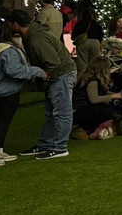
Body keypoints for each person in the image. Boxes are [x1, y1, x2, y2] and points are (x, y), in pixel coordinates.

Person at [7, 8, 77, 159]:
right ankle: (46, 144)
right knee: (52, 112)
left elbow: (54, 64)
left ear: (16, 24)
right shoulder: (34, 34)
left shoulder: (36, 38)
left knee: (61, 112)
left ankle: (59, 147)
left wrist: (46, 78)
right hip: (59, 73)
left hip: (61, 74)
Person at [0, 9, 47, 167]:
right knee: (3, 123)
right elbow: (15, 71)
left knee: (1, 120)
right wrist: (37, 71)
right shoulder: (7, 51)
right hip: (7, 92)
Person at [72, 57, 122, 140]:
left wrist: (118, 94)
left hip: (81, 109)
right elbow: (94, 99)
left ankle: (87, 129)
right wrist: (114, 96)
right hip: (79, 110)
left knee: (105, 109)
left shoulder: (89, 77)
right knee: (106, 112)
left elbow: (103, 93)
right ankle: (81, 128)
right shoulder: (93, 81)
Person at [71, 0, 103, 74]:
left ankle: (83, 77)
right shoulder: (96, 24)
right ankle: (92, 76)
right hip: (95, 42)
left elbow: (74, 35)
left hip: (83, 42)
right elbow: (101, 35)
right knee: (93, 62)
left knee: (82, 62)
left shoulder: (80, 23)